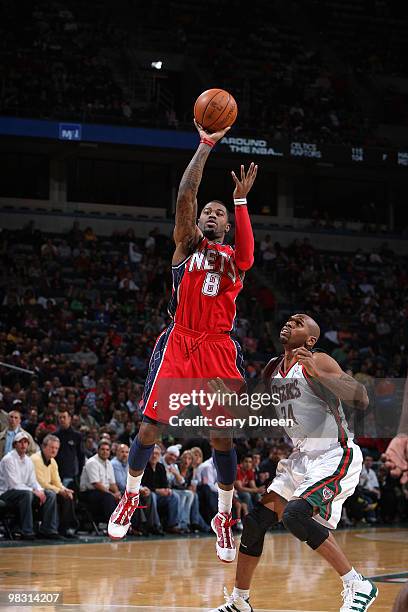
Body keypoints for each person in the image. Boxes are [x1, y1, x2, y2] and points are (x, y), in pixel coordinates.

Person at [108, 119, 258, 565]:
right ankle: (131, 497)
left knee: (222, 438)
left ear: (227, 226)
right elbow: (185, 198)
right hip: (180, 340)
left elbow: (248, 253)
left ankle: (225, 518)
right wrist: (206, 146)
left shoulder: (235, 260)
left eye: (219, 214)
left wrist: (241, 202)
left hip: (218, 347)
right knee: (149, 429)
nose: (210, 215)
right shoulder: (185, 247)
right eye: (206, 212)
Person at [210, 313, 378, 612]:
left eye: (298, 323)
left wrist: (319, 372)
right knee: (254, 523)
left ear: (311, 340)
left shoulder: (319, 360)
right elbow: (254, 414)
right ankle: (239, 602)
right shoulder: (274, 368)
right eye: (289, 320)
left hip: (334, 453)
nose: (289, 323)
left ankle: (358, 584)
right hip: (302, 458)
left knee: (296, 515)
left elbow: (361, 398)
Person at [0, 432, 60, 539]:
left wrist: (40, 490)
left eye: (25, 442)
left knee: (50, 494)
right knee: (27, 494)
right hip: (6, 492)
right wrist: (33, 491)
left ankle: (48, 529)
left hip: (24, 491)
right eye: (20, 442)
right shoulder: (8, 459)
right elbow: (14, 484)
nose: (23, 445)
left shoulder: (28, 460)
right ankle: (27, 531)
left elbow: (33, 481)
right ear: (15, 444)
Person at [31, 434, 78, 537]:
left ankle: (65, 529)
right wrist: (59, 491)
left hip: (47, 489)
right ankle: (48, 529)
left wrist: (64, 490)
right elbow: (41, 483)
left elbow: (57, 482)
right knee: (52, 494)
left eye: (56, 448)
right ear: (44, 447)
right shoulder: (35, 459)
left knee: (68, 496)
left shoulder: (53, 461)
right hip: (34, 490)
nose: (54, 450)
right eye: (52, 447)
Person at [141, 445, 181, 534]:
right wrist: (156, 490)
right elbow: (143, 484)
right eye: (152, 453)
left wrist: (167, 490)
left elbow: (165, 483)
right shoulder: (143, 466)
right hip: (146, 494)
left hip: (159, 494)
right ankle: (155, 525)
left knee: (174, 496)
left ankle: (172, 525)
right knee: (153, 496)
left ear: (159, 456)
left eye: (156, 454)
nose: (154, 456)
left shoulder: (161, 467)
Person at [79, 440, 121, 523]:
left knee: (126, 497)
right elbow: (96, 484)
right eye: (102, 449)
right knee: (109, 497)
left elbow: (112, 483)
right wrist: (112, 494)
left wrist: (117, 493)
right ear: (98, 450)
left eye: (107, 450)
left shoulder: (109, 463)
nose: (105, 452)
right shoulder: (92, 462)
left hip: (102, 491)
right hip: (88, 493)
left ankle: (131, 527)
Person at [55, 409, 84, 489]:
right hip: (56, 472)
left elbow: (81, 456)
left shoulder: (77, 436)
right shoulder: (54, 436)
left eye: (64, 417)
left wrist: (80, 473)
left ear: (69, 419)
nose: (62, 420)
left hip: (71, 473)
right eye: (60, 418)